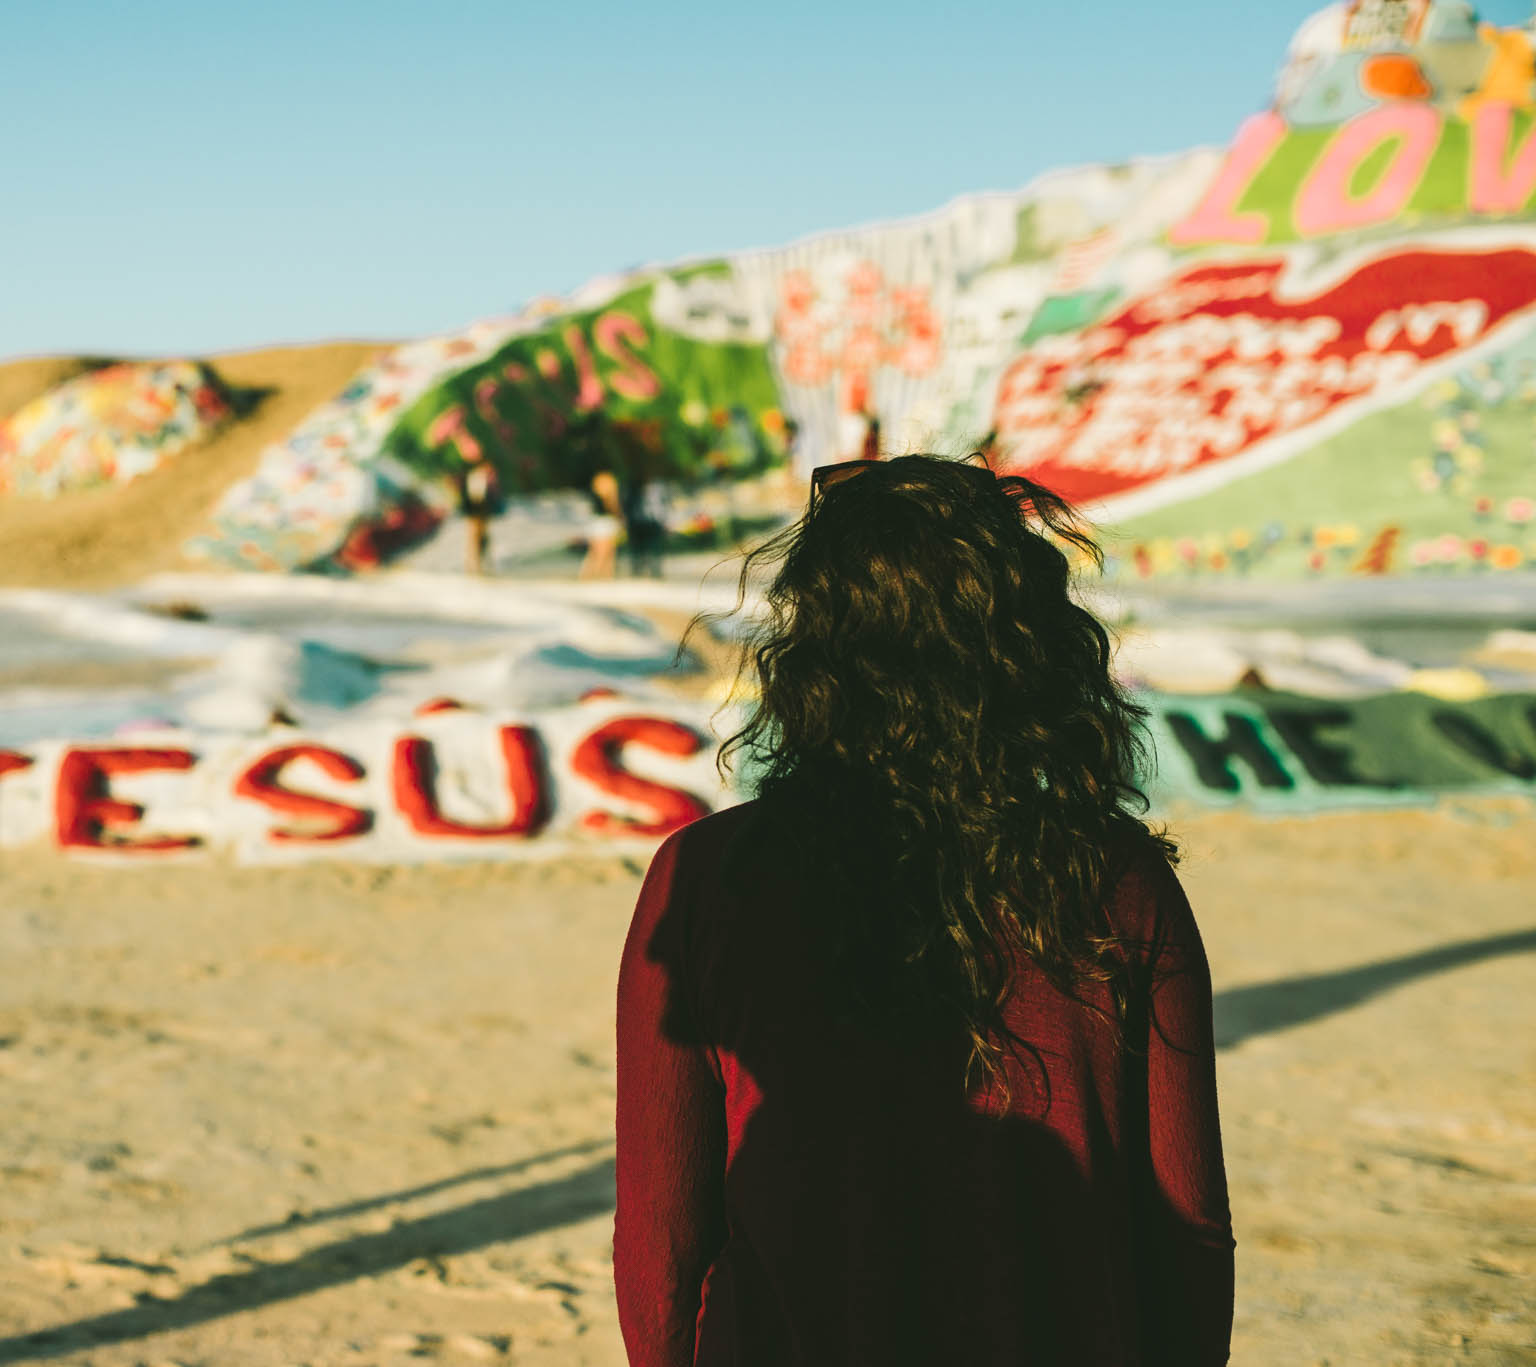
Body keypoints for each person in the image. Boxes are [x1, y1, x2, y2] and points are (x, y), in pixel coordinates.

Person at [614, 455, 1232, 1365]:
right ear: (1032, 646)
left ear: (812, 649)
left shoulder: (706, 879)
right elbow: (1189, 1225)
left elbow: (661, 1244)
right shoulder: (1120, 879)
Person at [454, 458, 502, 576]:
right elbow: (476, 497)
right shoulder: (477, 477)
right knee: (475, 537)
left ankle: (480, 563)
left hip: (481, 512)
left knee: (481, 537)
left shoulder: (486, 479)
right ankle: (473, 565)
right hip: (476, 512)